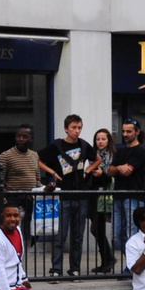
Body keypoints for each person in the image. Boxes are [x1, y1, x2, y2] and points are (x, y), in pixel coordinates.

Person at [40, 115, 98, 278]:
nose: (77, 131)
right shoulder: (57, 145)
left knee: (78, 236)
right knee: (60, 235)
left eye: (79, 127)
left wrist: (88, 170)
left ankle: (75, 268)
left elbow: (97, 159)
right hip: (63, 195)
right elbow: (38, 159)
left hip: (80, 195)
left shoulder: (84, 146)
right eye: (73, 127)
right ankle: (56, 269)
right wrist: (52, 172)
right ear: (66, 128)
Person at [110, 118, 145, 260]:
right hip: (118, 195)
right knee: (116, 235)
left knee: (131, 232)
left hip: (133, 195)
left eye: (129, 131)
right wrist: (119, 167)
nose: (125, 134)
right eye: (123, 131)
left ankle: (132, 265)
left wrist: (119, 168)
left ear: (137, 132)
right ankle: (132, 261)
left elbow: (128, 170)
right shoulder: (120, 152)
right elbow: (110, 171)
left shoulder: (141, 151)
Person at [0, 125, 42, 230]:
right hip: (13, 200)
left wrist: (46, 187)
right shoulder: (6, 156)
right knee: (14, 230)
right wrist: (5, 203)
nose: (21, 139)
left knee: (30, 232)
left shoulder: (34, 155)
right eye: (18, 136)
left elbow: (37, 180)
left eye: (25, 136)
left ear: (31, 139)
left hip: (31, 201)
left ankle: (25, 246)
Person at [85, 127, 116, 274]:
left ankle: (108, 260)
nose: (100, 142)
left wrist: (101, 174)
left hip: (104, 196)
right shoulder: (93, 155)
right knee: (96, 229)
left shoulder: (111, 156)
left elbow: (110, 176)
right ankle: (107, 259)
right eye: (98, 139)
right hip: (93, 195)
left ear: (108, 140)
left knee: (97, 228)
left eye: (103, 139)